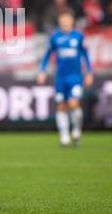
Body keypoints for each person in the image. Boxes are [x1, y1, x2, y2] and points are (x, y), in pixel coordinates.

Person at [36, 8, 93, 146]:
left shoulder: (78, 36)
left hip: (75, 77)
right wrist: (42, 71)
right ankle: (64, 135)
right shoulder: (55, 37)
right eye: (63, 19)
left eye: (68, 19)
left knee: (73, 103)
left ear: (72, 21)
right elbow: (47, 55)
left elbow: (85, 55)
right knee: (61, 106)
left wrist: (90, 72)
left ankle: (77, 130)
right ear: (59, 21)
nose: (65, 21)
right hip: (60, 78)